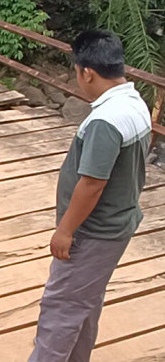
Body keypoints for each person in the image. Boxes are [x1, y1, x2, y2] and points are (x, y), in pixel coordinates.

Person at [28, 30, 152, 362]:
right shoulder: (135, 102)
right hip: (117, 225)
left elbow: (92, 184)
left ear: (87, 73)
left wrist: (65, 230)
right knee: (85, 302)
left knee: (61, 309)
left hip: (93, 231)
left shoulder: (105, 120)